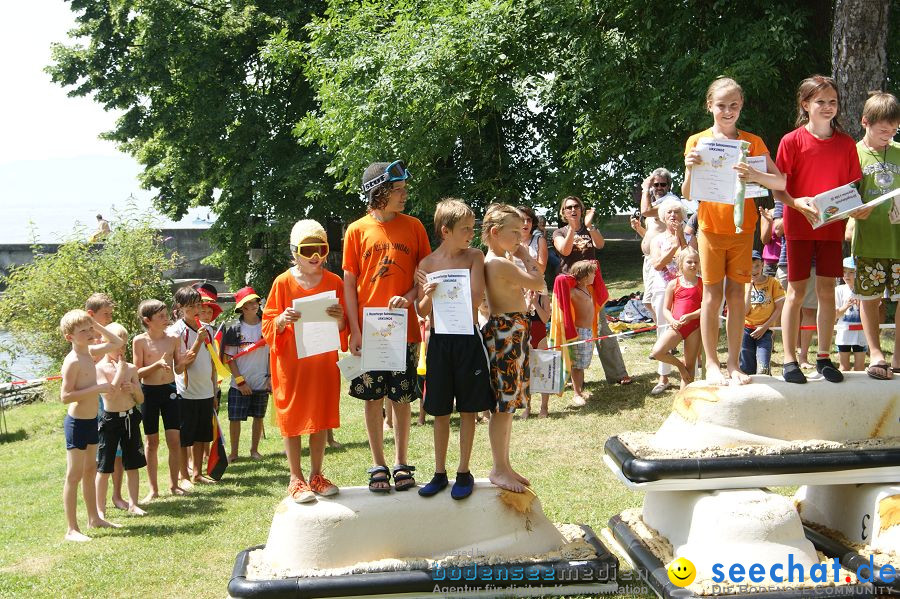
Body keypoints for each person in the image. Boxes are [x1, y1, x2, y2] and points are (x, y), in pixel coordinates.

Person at [682, 77, 786, 385]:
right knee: (712, 297)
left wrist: (754, 173)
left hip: (743, 230)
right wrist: (689, 168)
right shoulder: (697, 141)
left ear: (741, 106)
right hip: (710, 229)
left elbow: (779, 182)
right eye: (721, 106)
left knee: (737, 296)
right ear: (709, 106)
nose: (728, 111)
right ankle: (712, 363)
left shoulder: (752, 142)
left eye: (734, 106)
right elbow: (689, 194)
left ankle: (734, 365)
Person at [343, 161, 431, 493]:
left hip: (403, 329)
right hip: (370, 329)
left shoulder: (415, 227)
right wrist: (355, 329)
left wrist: (409, 297)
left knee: (402, 398)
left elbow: (423, 275)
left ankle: (401, 462)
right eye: (399, 190)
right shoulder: (356, 230)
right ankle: (378, 463)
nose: (405, 195)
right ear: (379, 192)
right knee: (372, 398)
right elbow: (349, 284)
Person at [773, 75, 863, 384]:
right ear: (805, 104)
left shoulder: (846, 143)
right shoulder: (791, 141)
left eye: (833, 102)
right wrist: (797, 203)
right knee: (795, 293)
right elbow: (779, 191)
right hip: (799, 228)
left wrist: (853, 209)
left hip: (830, 228)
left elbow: (851, 186)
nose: (827, 107)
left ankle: (824, 357)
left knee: (827, 292)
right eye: (820, 101)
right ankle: (788, 360)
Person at [414, 199, 495, 500]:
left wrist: (448, 288)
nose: (471, 234)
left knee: (469, 407)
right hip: (439, 341)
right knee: (439, 410)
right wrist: (427, 294)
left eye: (472, 229)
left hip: (467, 339)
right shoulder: (427, 265)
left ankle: (464, 470)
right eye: (465, 229)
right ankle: (439, 472)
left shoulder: (475, 256)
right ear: (445, 231)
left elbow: (475, 298)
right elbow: (423, 310)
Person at [262, 219, 345, 503]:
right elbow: (267, 323)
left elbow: (344, 323)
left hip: (322, 361)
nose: (315, 256)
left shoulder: (335, 281)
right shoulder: (282, 282)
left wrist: (340, 318)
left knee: (320, 418)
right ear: (295, 252)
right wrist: (282, 320)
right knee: (294, 420)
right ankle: (295, 478)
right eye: (308, 249)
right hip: (292, 365)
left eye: (320, 249)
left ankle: (317, 475)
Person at [482, 204, 546, 493]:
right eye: (515, 232)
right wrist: (525, 255)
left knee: (508, 406)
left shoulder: (500, 259)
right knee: (503, 406)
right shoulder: (498, 262)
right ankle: (498, 467)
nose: (520, 237)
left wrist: (518, 253)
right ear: (495, 233)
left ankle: (504, 464)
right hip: (506, 332)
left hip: (513, 330)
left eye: (522, 232)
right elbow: (540, 281)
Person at [552, 195, 632, 385]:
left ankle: (618, 374)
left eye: (576, 207)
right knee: (569, 330)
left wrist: (590, 226)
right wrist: (573, 228)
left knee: (602, 329)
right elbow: (564, 250)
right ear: (563, 212)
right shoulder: (559, 232)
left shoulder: (588, 228)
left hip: (590, 287)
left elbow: (600, 244)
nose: (573, 210)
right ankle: (571, 380)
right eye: (568, 207)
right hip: (570, 289)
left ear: (581, 209)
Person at [59, 309, 123, 541]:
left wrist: (95, 324)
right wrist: (97, 389)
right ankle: (71, 529)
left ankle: (94, 518)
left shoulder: (91, 351)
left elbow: (116, 341)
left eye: (90, 329)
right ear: (70, 337)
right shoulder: (73, 361)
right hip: (76, 424)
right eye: (83, 331)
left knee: (89, 472)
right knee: (73, 475)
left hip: (91, 422)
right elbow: (65, 396)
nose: (89, 333)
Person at [850, 91, 900, 380]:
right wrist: (852, 211)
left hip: (897, 240)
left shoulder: (898, 152)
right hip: (868, 240)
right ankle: (876, 353)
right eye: (883, 130)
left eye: (894, 130)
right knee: (869, 298)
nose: (889, 135)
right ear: (865, 122)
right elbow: (844, 196)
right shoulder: (853, 153)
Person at [132, 299, 186, 499]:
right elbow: (137, 373)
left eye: (166, 315)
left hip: (170, 390)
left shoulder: (173, 338)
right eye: (161, 316)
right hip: (149, 393)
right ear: (148, 320)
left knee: (174, 439)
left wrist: (186, 360)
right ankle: (153, 489)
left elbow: (178, 367)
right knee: (151, 441)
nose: (166, 319)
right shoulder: (139, 341)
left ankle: (174, 485)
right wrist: (157, 365)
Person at [95, 322, 146, 519]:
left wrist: (134, 390)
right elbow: (109, 395)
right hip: (110, 420)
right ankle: (100, 509)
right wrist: (118, 372)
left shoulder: (132, 369)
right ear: (106, 345)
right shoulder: (100, 368)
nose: (120, 350)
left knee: (132, 464)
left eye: (123, 346)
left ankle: (133, 503)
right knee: (105, 465)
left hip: (130, 417)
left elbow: (140, 399)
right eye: (116, 346)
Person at [83, 293, 128, 510]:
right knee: (98, 456)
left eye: (111, 314)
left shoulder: (109, 337)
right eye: (105, 314)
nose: (110, 318)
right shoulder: (86, 340)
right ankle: (96, 503)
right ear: (91, 315)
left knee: (118, 452)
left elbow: (119, 347)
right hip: (96, 405)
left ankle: (117, 495)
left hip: (116, 401)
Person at [170, 286, 216, 483]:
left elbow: (213, 363)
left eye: (198, 305)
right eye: (191, 306)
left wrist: (214, 391)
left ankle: (197, 473)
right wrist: (198, 341)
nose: (196, 310)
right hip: (185, 391)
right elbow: (180, 364)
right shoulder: (175, 332)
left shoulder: (209, 329)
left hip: (206, 390)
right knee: (185, 437)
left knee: (202, 435)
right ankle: (184, 476)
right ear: (180, 308)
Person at [222, 286, 269, 462]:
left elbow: (273, 353)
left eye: (255, 301)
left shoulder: (267, 324)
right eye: (248, 303)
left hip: (261, 381)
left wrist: (270, 377)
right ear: (241, 307)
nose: (253, 305)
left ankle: (254, 450)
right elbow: (230, 358)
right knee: (235, 419)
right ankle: (234, 453)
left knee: (259, 417)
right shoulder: (234, 328)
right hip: (239, 384)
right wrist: (241, 382)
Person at [646, 198, 688, 395]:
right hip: (663, 288)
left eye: (677, 212)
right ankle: (663, 377)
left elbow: (691, 256)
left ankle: (689, 373)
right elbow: (657, 264)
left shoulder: (689, 236)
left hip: (685, 289)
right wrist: (674, 246)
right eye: (669, 212)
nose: (673, 216)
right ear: (663, 216)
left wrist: (682, 238)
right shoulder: (658, 239)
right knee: (663, 329)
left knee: (688, 329)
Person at [648, 247, 703, 388]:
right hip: (676, 327)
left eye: (696, 262)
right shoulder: (674, 284)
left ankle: (684, 398)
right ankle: (680, 366)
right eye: (689, 262)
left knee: (690, 368)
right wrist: (672, 320)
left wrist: (691, 316)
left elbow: (707, 308)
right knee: (658, 351)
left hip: (694, 328)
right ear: (681, 264)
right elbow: (665, 309)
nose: (693, 265)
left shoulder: (703, 284)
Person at [773, 201, 818, 369]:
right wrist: (798, 205)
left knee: (809, 310)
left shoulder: (819, 193)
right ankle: (789, 357)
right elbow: (778, 229)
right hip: (788, 261)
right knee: (790, 307)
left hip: (814, 260)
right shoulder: (781, 198)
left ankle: (804, 356)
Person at [741, 251, 785, 376]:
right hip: (746, 330)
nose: (753, 270)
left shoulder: (773, 283)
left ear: (762, 265)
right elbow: (744, 312)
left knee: (763, 369)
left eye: (756, 266)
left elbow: (779, 308)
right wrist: (748, 289)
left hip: (766, 330)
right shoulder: (743, 285)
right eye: (749, 267)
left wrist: (764, 327)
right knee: (746, 368)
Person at [566, 260, 598, 406]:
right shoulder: (574, 292)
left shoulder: (587, 289)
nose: (595, 276)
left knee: (582, 363)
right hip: (579, 332)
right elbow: (562, 298)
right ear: (584, 276)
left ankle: (580, 388)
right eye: (592, 273)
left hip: (588, 331)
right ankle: (576, 393)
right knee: (577, 365)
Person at [834, 257, 866, 372]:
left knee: (859, 368)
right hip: (844, 334)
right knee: (844, 367)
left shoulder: (865, 290)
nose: (847, 275)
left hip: (861, 334)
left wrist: (862, 305)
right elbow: (835, 315)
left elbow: (873, 311)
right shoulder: (838, 290)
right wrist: (846, 306)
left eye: (851, 272)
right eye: (844, 272)